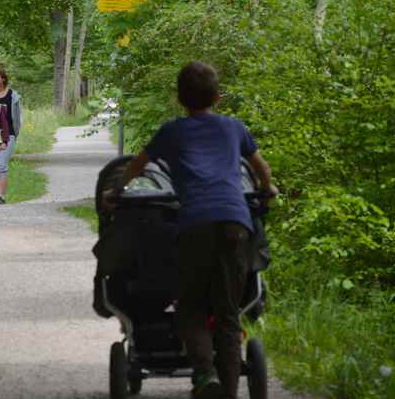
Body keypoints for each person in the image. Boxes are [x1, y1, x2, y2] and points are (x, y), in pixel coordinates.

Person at [107, 61, 278, 399]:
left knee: (191, 307)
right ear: (217, 97)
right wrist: (268, 188)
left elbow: (139, 164)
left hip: (195, 225)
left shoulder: (173, 131)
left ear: (179, 99)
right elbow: (260, 167)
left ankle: (205, 375)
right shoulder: (234, 128)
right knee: (228, 314)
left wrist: (117, 191)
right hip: (234, 224)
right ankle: (227, 392)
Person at [0, 66, 22, 203]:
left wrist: (14, 134)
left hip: (8, 136)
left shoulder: (12, 96)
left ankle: (1, 196)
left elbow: (17, 118)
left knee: (2, 165)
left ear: (3, 78)